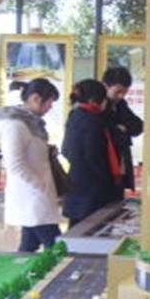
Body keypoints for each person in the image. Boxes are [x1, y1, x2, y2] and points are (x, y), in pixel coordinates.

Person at [0, 79, 61, 252]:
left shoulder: (31, 124)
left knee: (29, 246)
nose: (50, 107)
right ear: (36, 98)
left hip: (36, 197)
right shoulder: (14, 125)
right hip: (31, 197)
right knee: (57, 246)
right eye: (50, 102)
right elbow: (14, 163)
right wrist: (40, 185)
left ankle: (20, 269)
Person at [61, 79, 116, 228]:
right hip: (92, 187)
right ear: (95, 100)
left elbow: (65, 149)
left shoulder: (74, 116)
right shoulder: (94, 121)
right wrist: (106, 179)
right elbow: (94, 155)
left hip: (75, 181)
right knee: (92, 231)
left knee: (75, 231)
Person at [102, 66, 144, 200]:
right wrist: (120, 129)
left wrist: (123, 128)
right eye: (118, 92)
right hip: (105, 168)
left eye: (124, 92)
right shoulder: (99, 107)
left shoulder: (121, 105)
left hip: (121, 166)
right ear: (106, 86)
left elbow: (138, 126)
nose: (121, 96)